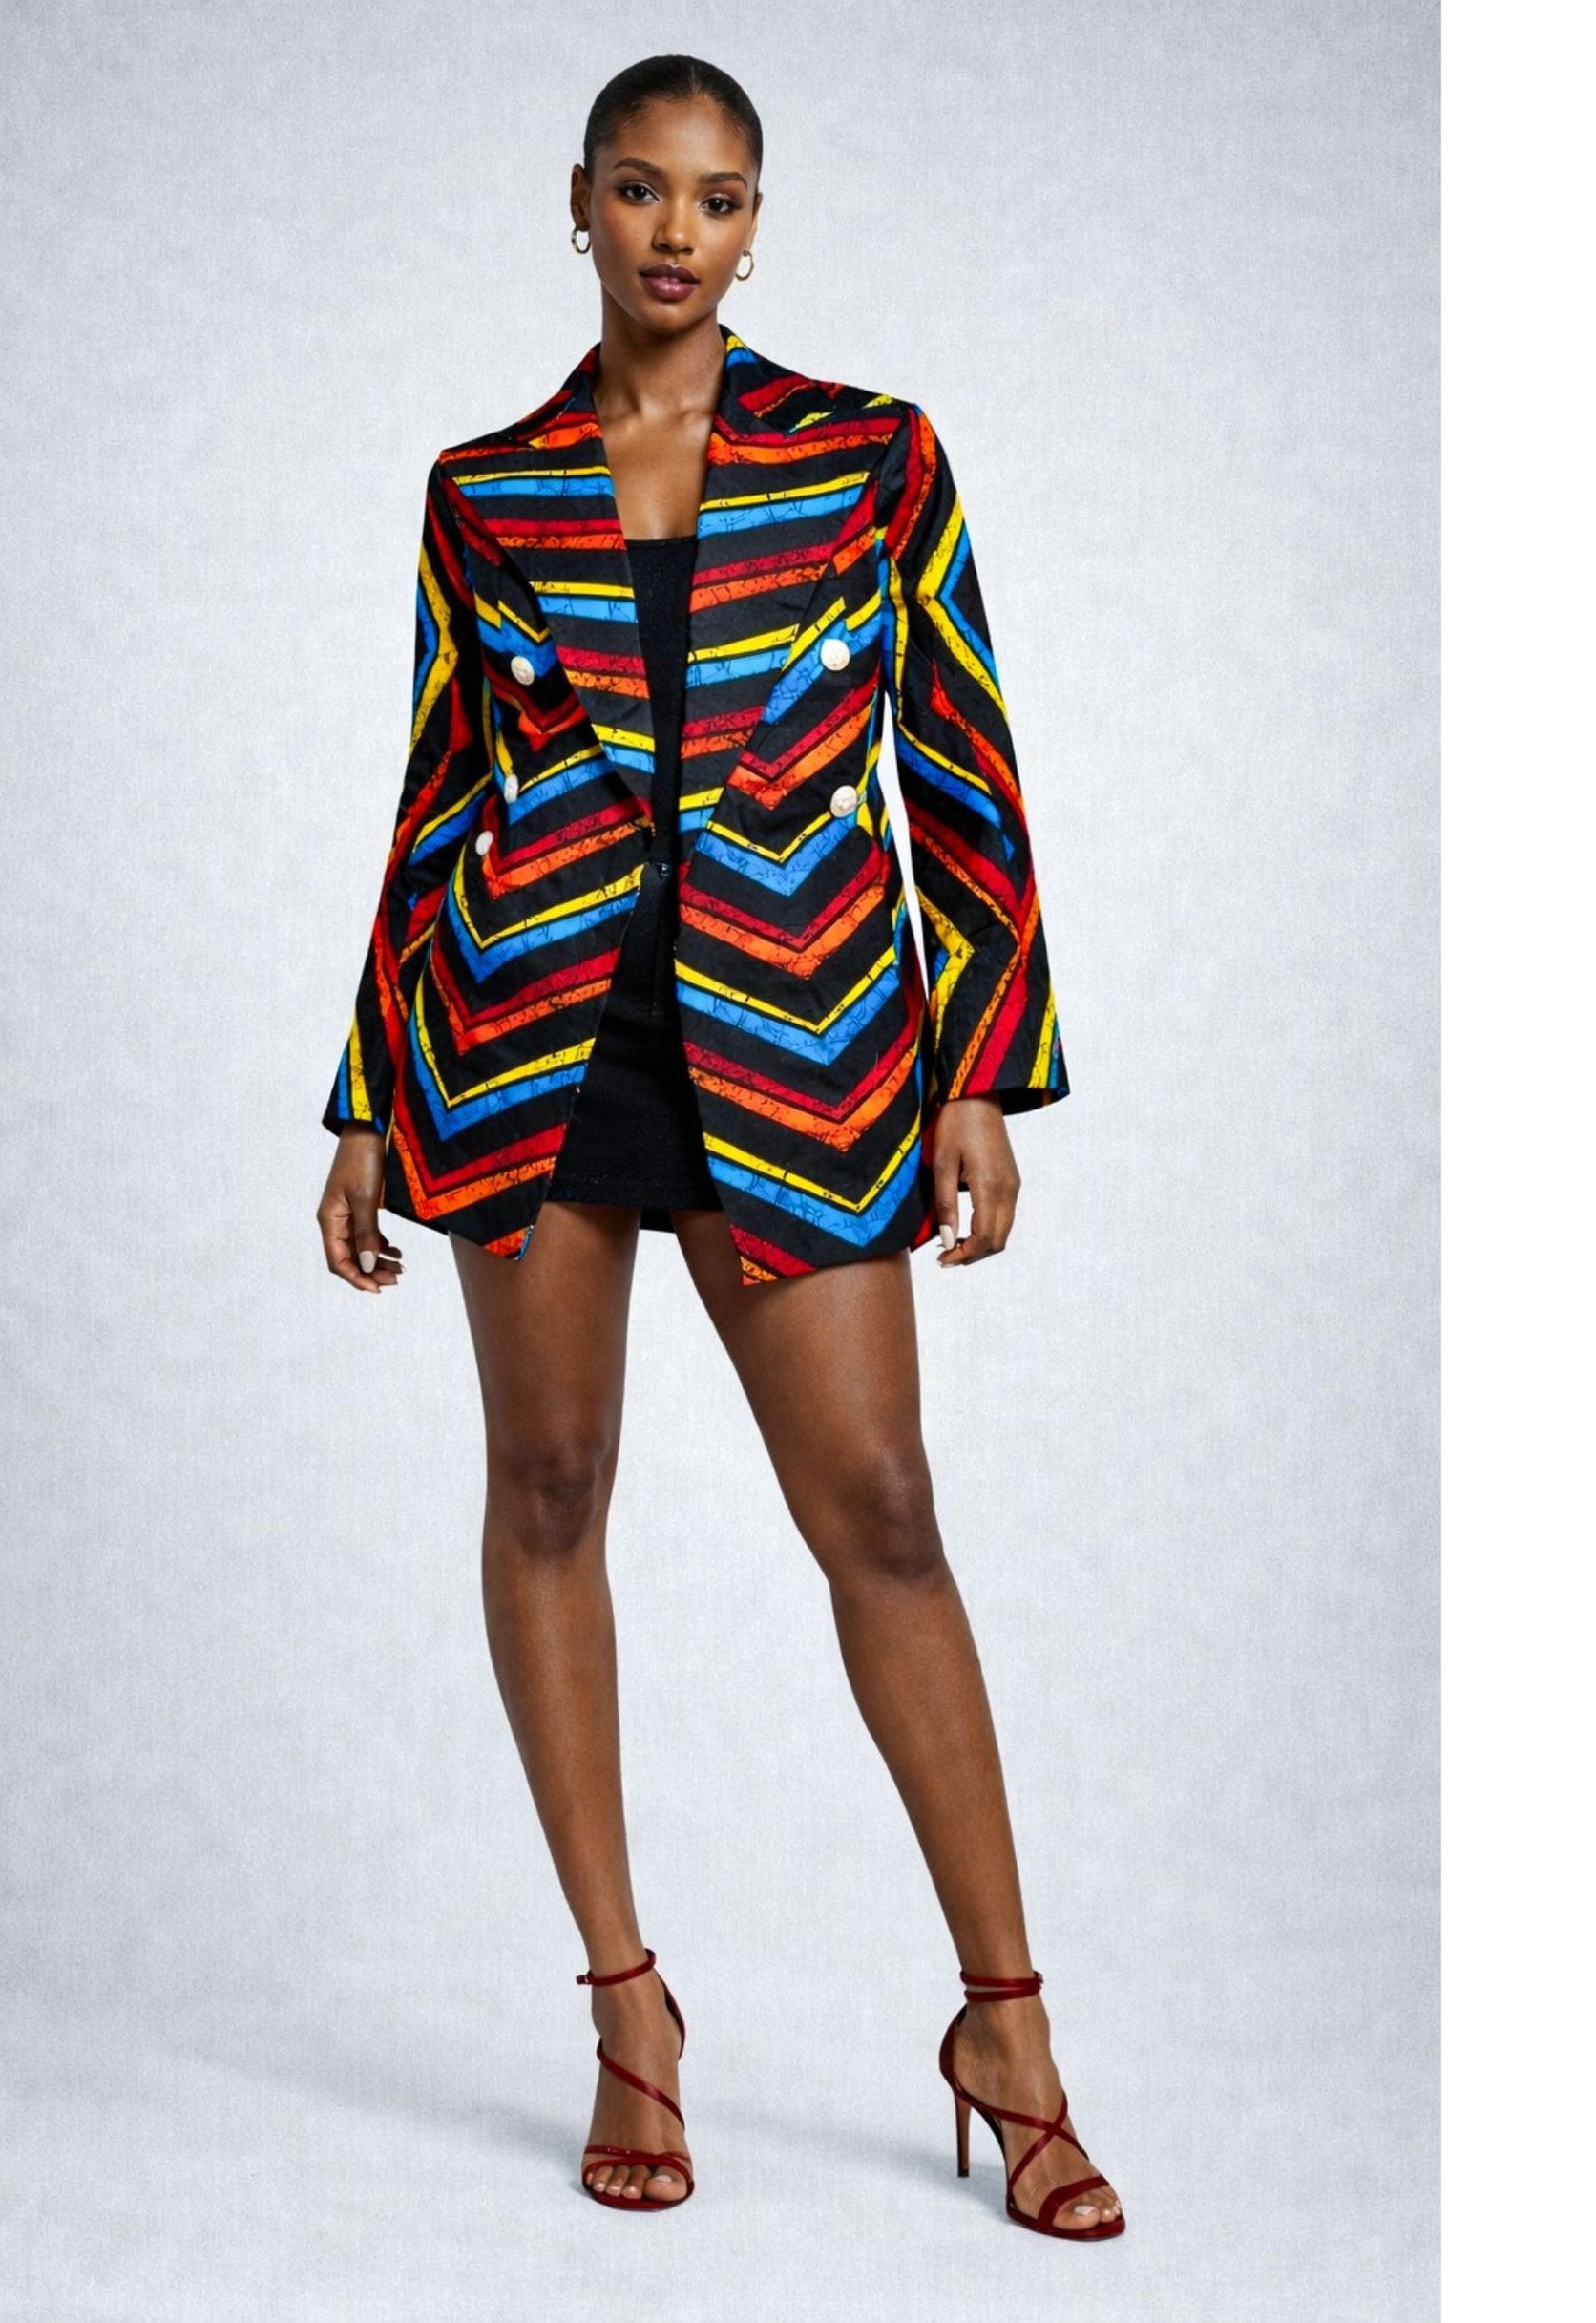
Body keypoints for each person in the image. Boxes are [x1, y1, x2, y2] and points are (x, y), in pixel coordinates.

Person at [316, 54, 1122, 2238]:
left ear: (757, 225)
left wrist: (977, 1066)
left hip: (804, 1044)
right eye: (643, 189)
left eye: (722, 195)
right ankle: (627, 2006)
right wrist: (368, 1090)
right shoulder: (483, 489)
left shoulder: (871, 457)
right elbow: (438, 788)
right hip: (526, 1049)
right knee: (547, 1488)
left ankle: (1007, 2025)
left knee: (882, 1511)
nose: (679, 230)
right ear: (578, 203)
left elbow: (960, 768)